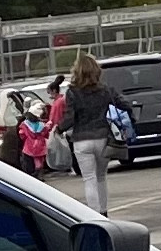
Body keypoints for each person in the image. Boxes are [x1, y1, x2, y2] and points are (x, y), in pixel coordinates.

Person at [56, 54, 133, 210]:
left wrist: (58, 129)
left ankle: (95, 215)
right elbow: (125, 106)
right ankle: (104, 213)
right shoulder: (106, 90)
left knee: (89, 179)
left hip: (81, 140)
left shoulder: (72, 92)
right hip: (103, 138)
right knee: (101, 177)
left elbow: (70, 118)